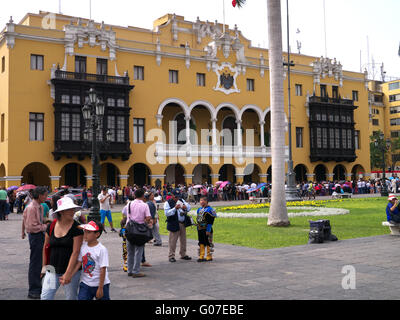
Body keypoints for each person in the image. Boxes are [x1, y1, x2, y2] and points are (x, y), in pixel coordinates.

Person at [40, 196, 84, 300]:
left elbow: (76, 252)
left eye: (73, 209)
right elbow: (46, 247)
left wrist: (68, 274)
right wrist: (44, 266)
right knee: (45, 296)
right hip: (52, 269)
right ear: (61, 212)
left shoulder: (77, 228)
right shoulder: (51, 226)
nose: (72, 211)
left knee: (71, 298)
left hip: (71, 270)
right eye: (69, 209)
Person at [21, 186, 49, 299]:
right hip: (36, 236)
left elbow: (36, 220)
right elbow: (32, 227)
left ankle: (39, 287)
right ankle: (34, 289)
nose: (46, 197)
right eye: (45, 195)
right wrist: (46, 226)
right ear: (40, 195)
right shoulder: (32, 207)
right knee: (36, 263)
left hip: (40, 235)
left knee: (42, 261)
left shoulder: (40, 207)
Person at [72, 220, 111, 300]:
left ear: (97, 234)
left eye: (88, 232)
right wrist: (70, 275)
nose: (85, 234)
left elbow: (103, 269)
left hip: (101, 284)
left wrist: (100, 288)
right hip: (86, 284)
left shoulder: (101, 249)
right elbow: (79, 262)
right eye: (85, 231)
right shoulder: (83, 246)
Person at [124, 189, 153, 278]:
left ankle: (129, 270)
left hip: (129, 229)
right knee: (138, 251)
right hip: (140, 230)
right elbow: (148, 217)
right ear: (143, 196)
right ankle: (136, 271)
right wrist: (144, 221)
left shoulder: (129, 204)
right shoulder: (144, 205)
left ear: (134, 196)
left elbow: (124, 213)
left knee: (130, 251)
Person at [164, 190, 192, 263]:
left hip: (182, 223)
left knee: (183, 240)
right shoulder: (168, 203)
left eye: (178, 196)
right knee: (173, 241)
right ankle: (171, 256)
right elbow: (167, 213)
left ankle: (183, 254)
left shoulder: (181, 200)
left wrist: (186, 207)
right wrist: (174, 208)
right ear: (172, 195)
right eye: (175, 196)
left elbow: (189, 207)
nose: (177, 198)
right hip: (174, 223)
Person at [196, 196, 217, 262]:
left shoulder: (210, 209)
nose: (202, 202)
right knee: (201, 241)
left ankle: (209, 256)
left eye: (203, 200)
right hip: (200, 228)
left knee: (208, 242)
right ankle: (201, 256)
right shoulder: (199, 209)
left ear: (206, 201)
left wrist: (208, 230)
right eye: (200, 200)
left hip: (207, 228)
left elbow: (211, 221)